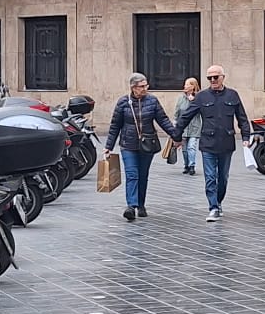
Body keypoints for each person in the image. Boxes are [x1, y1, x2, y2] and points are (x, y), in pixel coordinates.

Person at [172, 64, 254, 223]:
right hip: (208, 143)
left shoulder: (232, 95)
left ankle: (219, 201)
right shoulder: (202, 97)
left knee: (222, 177)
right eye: (209, 78)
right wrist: (176, 135)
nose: (213, 80)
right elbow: (186, 116)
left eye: (216, 77)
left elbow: (242, 118)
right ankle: (213, 207)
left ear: (223, 77)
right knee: (210, 177)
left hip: (226, 142)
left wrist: (246, 137)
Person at [103, 73, 176, 222]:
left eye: (146, 86)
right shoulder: (123, 102)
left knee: (143, 175)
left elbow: (163, 120)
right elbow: (115, 125)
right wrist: (108, 146)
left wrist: (176, 136)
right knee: (132, 174)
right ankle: (131, 206)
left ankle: (141, 204)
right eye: (141, 86)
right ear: (133, 88)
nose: (145, 89)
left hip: (147, 144)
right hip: (127, 144)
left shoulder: (152, 101)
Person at [173, 77, 202, 175]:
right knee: (184, 149)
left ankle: (192, 166)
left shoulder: (199, 98)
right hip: (183, 128)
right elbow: (177, 112)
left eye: (187, 84)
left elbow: (202, 112)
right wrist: (175, 126)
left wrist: (193, 101)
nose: (184, 86)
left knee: (191, 147)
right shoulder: (181, 98)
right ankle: (186, 165)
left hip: (195, 127)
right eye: (185, 84)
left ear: (193, 86)